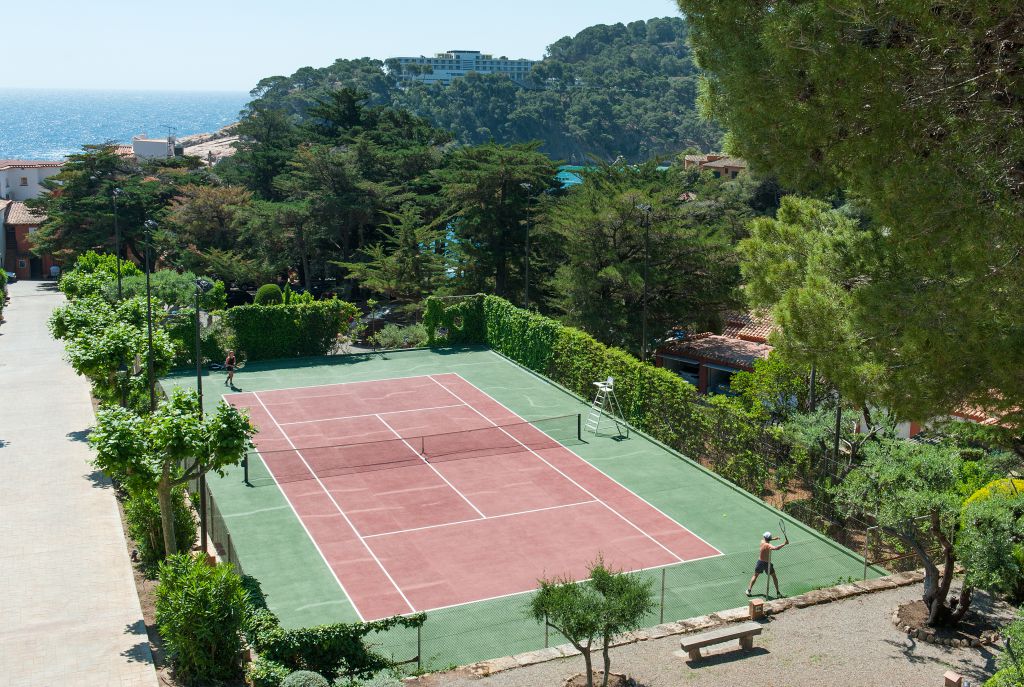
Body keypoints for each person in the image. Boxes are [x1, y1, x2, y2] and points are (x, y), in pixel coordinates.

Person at [746, 530, 788, 597]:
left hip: (759, 562)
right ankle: (778, 593)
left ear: (764, 538)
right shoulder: (768, 545)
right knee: (774, 576)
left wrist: (774, 538)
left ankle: (748, 590)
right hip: (767, 564)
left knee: (755, 575)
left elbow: (767, 539)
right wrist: (784, 544)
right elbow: (776, 548)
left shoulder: (762, 542)